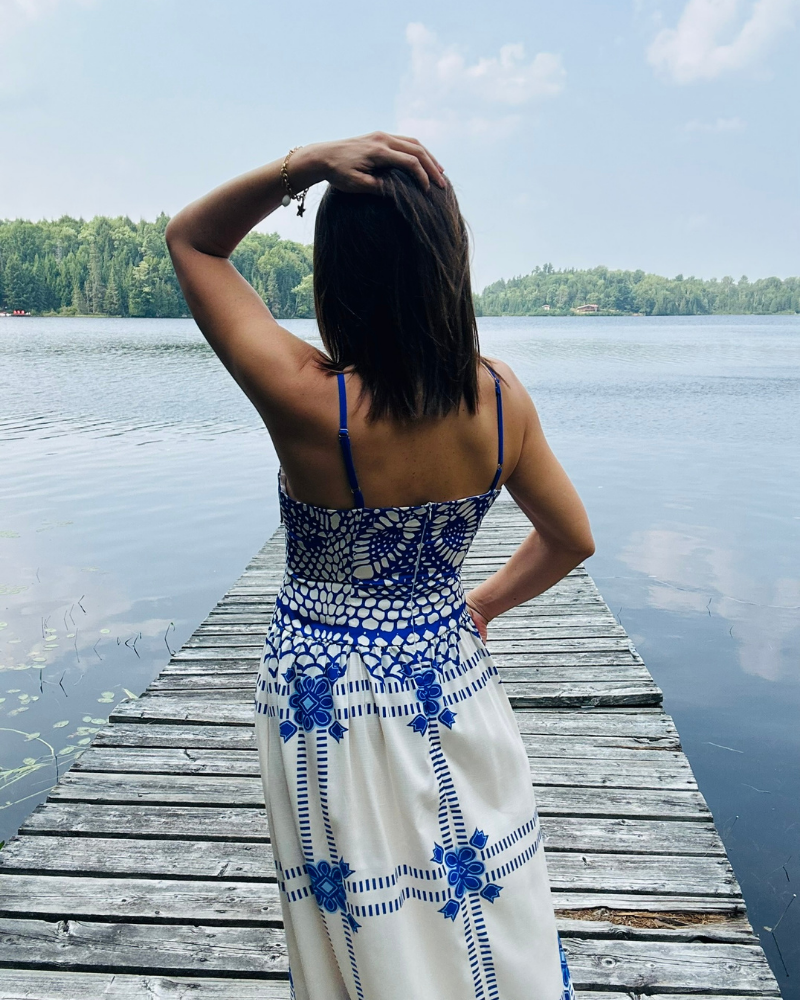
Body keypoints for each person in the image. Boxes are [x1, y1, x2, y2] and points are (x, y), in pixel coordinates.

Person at [166, 132, 595, 1000]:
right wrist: (480, 605)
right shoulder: (499, 399)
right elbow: (570, 538)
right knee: (486, 892)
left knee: (364, 916)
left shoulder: (305, 399)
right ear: (448, 264)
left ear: (338, 274)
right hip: (450, 676)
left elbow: (193, 240)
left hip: (324, 698)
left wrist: (305, 166)